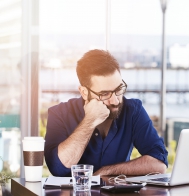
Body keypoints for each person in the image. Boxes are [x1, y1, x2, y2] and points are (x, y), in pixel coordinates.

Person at [44, 49, 168, 177]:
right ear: (84, 92)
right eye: (104, 94)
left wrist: (107, 171)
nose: (115, 100)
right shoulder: (59, 114)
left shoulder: (133, 110)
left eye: (119, 89)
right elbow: (58, 168)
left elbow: (159, 164)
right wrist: (90, 121)